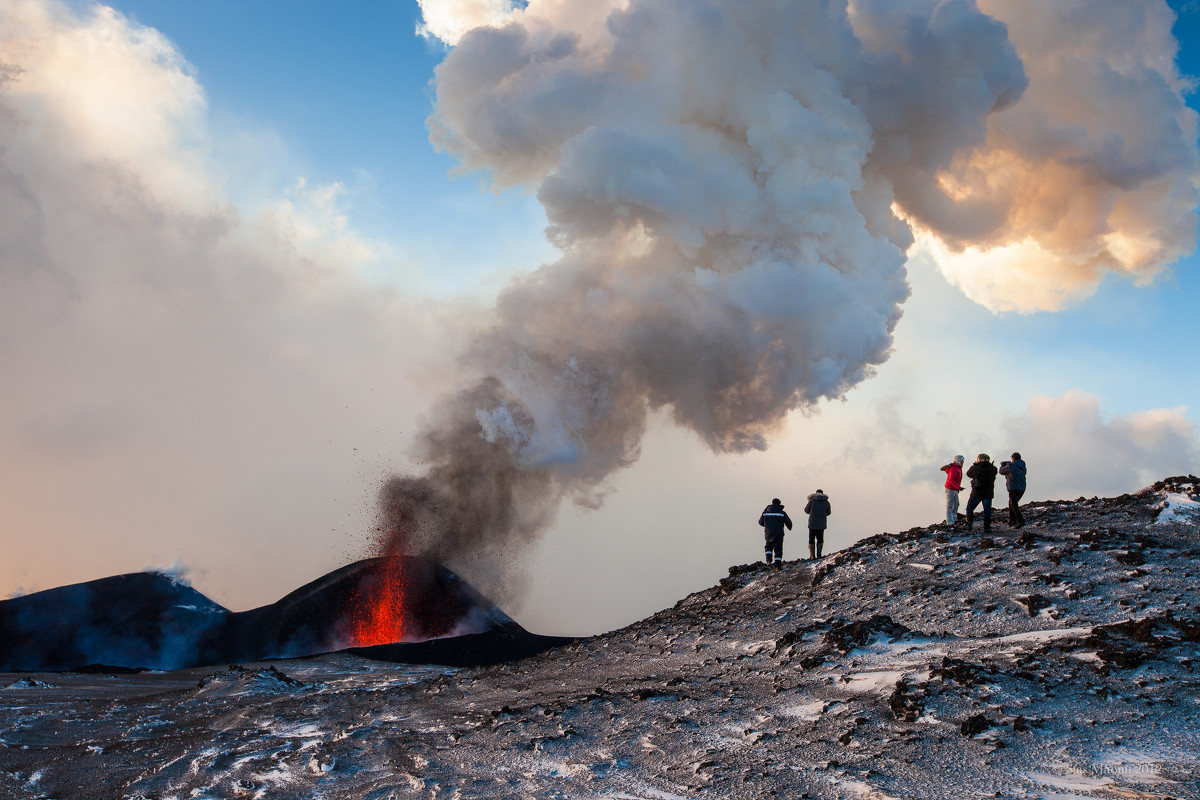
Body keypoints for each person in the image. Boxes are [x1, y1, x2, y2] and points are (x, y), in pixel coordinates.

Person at [965, 453, 998, 532]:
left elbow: (968, 474)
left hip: (977, 492)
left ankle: (969, 525)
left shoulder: (976, 468)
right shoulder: (993, 468)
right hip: (988, 493)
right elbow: (995, 472)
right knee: (987, 510)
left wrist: (974, 464)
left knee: (970, 508)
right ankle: (987, 527)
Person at [757, 498, 792, 569]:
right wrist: (789, 527)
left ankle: (768, 561)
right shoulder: (782, 513)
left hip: (768, 533)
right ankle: (777, 566)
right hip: (778, 534)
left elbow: (760, 522)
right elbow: (788, 522)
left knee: (768, 547)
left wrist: (767, 525)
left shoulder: (765, 512)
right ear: (779, 504)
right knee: (778, 549)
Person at [998, 452, 1027, 528]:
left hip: (1013, 488)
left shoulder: (1011, 466)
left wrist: (1003, 465)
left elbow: (1001, 471)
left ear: (1013, 458)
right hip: (1022, 488)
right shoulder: (1023, 466)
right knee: (1011, 503)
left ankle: (1020, 522)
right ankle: (1012, 521)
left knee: (1013, 505)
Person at [803, 489, 832, 560]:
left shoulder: (812, 500)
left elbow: (806, 510)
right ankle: (819, 555)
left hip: (812, 523)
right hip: (821, 523)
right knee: (820, 539)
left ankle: (812, 556)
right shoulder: (826, 502)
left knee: (811, 539)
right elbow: (829, 512)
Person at [940, 455, 965, 525]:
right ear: (958, 460)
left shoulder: (958, 468)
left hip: (954, 488)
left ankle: (954, 518)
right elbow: (951, 480)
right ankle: (950, 521)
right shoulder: (954, 469)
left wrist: (957, 488)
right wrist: (958, 487)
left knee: (956, 504)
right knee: (949, 505)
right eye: (962, 460)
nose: (963, 462)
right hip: (950, 488)